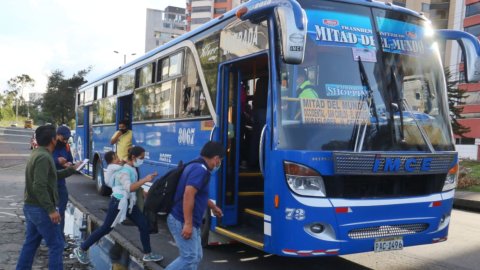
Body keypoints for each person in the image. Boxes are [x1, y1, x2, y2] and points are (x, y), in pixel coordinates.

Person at [74, 146, 163, 264]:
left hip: (128, 203)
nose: (143, 160)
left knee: (143, 225)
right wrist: (145, 180)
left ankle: (148, 254)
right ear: (133, 157)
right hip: (118, 204)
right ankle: (81, 249)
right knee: (106, 228)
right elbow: (128, 188)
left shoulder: (130, 168)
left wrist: (142, 192)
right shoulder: (124, 171)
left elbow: (132, 185)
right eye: (141, 158)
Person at [17, 125, 81, 270]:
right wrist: (51, 210)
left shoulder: (39, 153)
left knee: (31, 243)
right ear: (53, 140)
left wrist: (72, 169)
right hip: (40, 209)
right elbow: (39, 186)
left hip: (32, 207)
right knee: (57, 244)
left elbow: (52, 176)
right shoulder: (43, 157)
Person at [165, 141, 226, 270]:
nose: (220, 163)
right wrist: (187, 224)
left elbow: (199, 194)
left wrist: (213, 207)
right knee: (189, 258)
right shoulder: (200, 170)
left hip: (188, 220)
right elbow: (188, 195)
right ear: (216, 158)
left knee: (195, 256)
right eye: (221, 160)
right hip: (182, 220)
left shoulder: (196, 164)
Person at [42, 125, 73, 249]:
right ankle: (46, 238)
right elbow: (44, 159)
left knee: (61, 213)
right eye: (62, 138)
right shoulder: (50, 146)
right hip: (49, 186)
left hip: (61, 185)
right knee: (48, 212)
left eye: (67, 139)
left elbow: (70, 159)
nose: (65, 141)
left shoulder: (66, 146)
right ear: (56, 136)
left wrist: (69, 163)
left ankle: (60, 239)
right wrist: (56, 161)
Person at [110, 120, 145, 212]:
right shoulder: (117, 133)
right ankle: (121, 199)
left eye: (123, 127)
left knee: (132, 180)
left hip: (129, 162)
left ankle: (132, 202)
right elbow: (111, 142)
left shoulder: (131, 134)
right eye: (120, 127)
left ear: (127, 127)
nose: (121, 129)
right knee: (121, 183)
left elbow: (138, 142)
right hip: (120, 162)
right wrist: (118, 134)